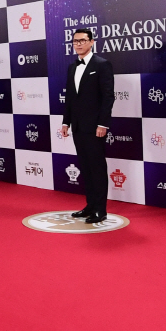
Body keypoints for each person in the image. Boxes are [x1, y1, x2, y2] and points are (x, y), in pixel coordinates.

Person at [61, 29, 114, 224]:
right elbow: (70, 98)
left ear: (91, 42)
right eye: (75, 41)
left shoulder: (102, 65)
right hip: (77, 126)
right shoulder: (72, 67)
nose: (78, 44)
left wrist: (103, 124)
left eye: (83, 40)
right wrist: (66, 121)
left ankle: (101, 210)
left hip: (95, 127)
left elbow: (108, 97)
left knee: (97, 167)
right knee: (85, 167)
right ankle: (90, 205)